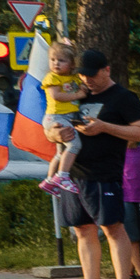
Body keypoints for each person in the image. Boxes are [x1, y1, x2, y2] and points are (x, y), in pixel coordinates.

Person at [52, 51, 140, 279]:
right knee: (83, 229)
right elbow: (51, 126)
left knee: (113, 227)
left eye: (92, 74)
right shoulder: (76, 93)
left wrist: (104, 127)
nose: (87, 79)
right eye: (82, 74)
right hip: (73, 173)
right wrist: (56, 134)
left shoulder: (124, 97)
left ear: (106, 70)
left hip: (104, 173)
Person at [34, 44, 87, 193]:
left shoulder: (74, 77)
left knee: (60, 153)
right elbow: (56, 95)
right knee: (75, 145)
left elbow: (82, 86)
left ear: (71, 64)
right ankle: (63, 176)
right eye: (53, 59)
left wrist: (82, 89)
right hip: (56, 116)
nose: (56, 63)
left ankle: (49, 180)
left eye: (61, 60)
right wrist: (78, 95)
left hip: (67, 117)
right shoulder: (52, 77)